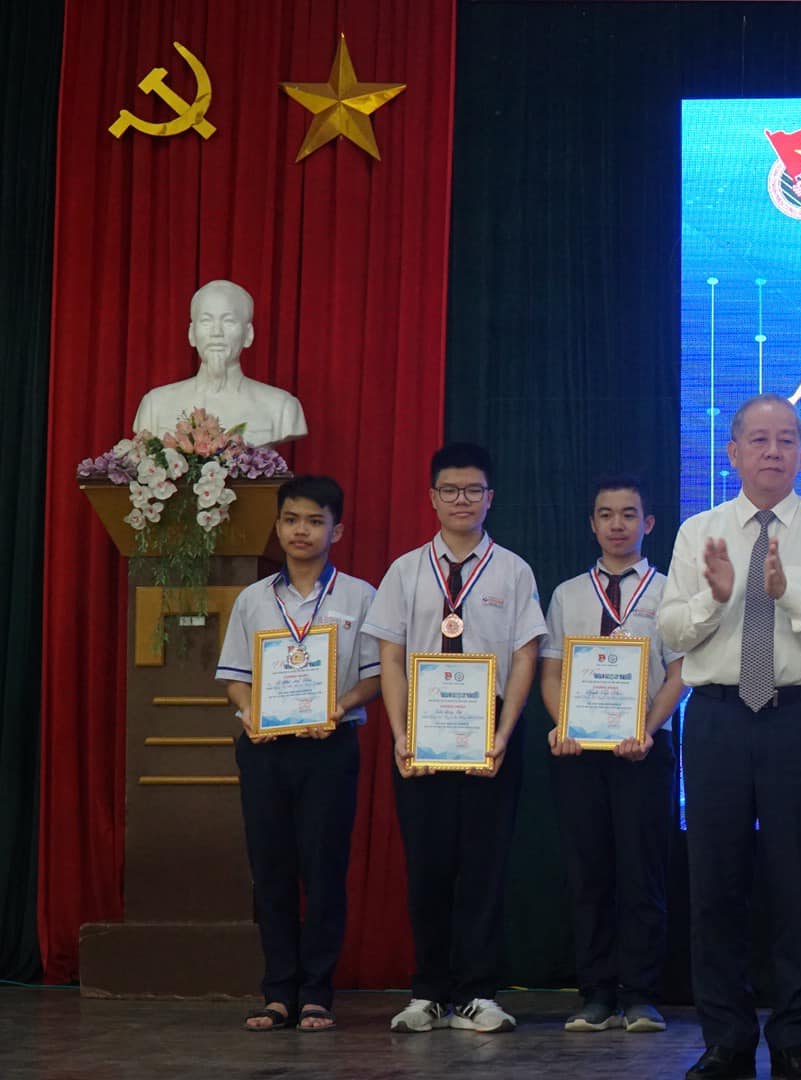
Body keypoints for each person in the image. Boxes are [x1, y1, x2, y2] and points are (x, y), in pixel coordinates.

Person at [659, 394, 801, 1080]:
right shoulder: (700, 531)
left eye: (786, 439)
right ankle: (724, 1038)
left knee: (799, 885)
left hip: (799, 719)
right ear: (733, 452)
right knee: (714, 884)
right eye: (759, 439)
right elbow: (670, 632)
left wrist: (787, 594)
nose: (773, 451)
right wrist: (716, 597)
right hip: (718, 716)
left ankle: (793, 1038)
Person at [366, 443, 547, 1034]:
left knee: (484, 866)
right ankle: (428, 993)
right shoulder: (405, 570)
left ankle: (479, 993)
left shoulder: (514, 570)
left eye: (473, 490)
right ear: (432, 498)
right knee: (428, 866)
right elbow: (391, 658)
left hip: (489, 730)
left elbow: (525, 657)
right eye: (450, 490)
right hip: (421, 732)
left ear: (490, 498)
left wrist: (504, 734)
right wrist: (400, 734)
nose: (462, 500)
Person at [214, 475, 380, 1032]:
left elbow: (376, 677)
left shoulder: (360, 596)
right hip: (265, 750)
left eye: (314, 520)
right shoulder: (253, 599)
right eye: (290, 520)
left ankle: (316, 993)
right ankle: (278, 991)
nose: (300, 531)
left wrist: (339, 706)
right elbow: (235, 677)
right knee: (272, 870)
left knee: (325, 870)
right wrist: (251, 712)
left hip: (330, 747)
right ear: (278, 526)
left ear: (337, 530)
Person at [540, 476, 687, 1034]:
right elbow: (552, 671)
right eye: (606, 514)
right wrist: (564, 724)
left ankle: (641, 994)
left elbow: (679, 674)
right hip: (580, 753)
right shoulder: (568, 594)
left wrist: (646, 730)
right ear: (592, 524)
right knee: (590, 874)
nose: (617, 524)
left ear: (648, 523)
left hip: (645, 750)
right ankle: (596, 994)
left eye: (629, 514)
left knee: (642, 873)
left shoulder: (669, 590)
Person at [133, 279, 308, 444]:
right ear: (192, 334)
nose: (217, 332)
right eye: (206, 321)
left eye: (229, 321)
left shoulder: (281, 407)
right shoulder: (155, 405)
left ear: (248, 334)